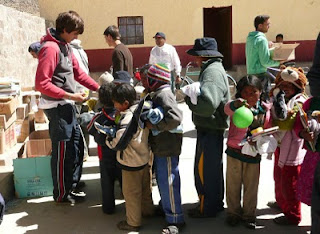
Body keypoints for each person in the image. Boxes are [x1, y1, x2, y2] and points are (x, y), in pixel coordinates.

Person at [35, 11, 99, 204]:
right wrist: (70, 95)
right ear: (64, 30)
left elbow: (78, 74)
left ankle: (70, 186)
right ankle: (61, 194)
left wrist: (100, 89)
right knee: (62, 152)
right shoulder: (51, 48)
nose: (76, 37)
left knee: (76, 146)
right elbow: (42, 83)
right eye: (75, 33)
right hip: (57, 107)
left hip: (67, 104)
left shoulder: (66, 47)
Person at [185, 37, 230, 218]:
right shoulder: (214, 69)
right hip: (212, 128)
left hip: (209, 128)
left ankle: (207, 207)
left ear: (203, 57)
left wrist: (190, 101)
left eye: (196, 56)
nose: (195, 60)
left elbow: (208, 105)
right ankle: (215, 203)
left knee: (205, 171)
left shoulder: (211, 72)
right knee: (213, 169)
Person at [224, 75, 272, 229]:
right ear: (240, 93)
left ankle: (249, 215)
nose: (250, 96)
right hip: (234, 151)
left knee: (251, 186)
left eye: (254, 92)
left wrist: (258, 138)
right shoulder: (236, 106)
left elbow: (267, 129)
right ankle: (233, 213)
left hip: (253, 153)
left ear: (260, 92)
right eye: (246, 92)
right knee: (233, 184)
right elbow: (226, 109)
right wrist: (235, 104)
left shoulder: (264, 109)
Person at [106, 84, 154, 231]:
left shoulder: (127, 119)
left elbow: (119, 143)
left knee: (131, 194)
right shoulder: (142, 110)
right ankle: (148, 211)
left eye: (115, 102)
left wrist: (108, 139)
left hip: (130, 163)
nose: (114, 105)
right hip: (144, 159)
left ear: (125, 103)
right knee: (146, 189)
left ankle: (133, 222)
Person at [144, 64, 185, 234]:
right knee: (163, 178)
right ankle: (166, 207)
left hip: (167, 145)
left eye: (148, 78)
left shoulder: (164, 94)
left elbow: (175, 118)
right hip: (162, 145)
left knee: (168, 179)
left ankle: (175, 218)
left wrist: (156, 126)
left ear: (156, 80)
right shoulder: (159, 93)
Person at [268, 66, 308, 225]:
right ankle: (281, 203)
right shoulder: (278, 98)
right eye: (282, 85)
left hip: (292, 150)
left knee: (289, 183)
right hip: (279, 145)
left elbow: (288, 122)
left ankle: (293, 215)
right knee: (278, 177)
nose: (285, 89)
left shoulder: (299, 102)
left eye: (289, 86)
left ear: (297, 87)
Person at [87, 82, 121, 214]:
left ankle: (108, 208)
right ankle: (129, 205)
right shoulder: (122, 115)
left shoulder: (98, 117)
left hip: (104, 156)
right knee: (124, 180)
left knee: (107, 183)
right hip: (121, 154)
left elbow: (90, 129)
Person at [246, 15, 281, 101]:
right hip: (260, 76)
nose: (269, 26)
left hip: (250, 74)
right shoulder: (261, 40)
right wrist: (279, 62)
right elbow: (265, 62)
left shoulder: (250, 38)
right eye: (267, 24)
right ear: (260, 25)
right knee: (264, 103)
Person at [295, 96, 320, 207]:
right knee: (314, 191)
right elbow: (298, 124)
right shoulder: (310, 103)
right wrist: (302, 134)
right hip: (313, 154)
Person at [70, 39, 90, 161]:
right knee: (85, 122)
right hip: (85, 89)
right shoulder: (81, 50)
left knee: (77, 123)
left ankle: (82, 152)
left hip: (77, 91)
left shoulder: (70, 51)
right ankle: (85, 150)